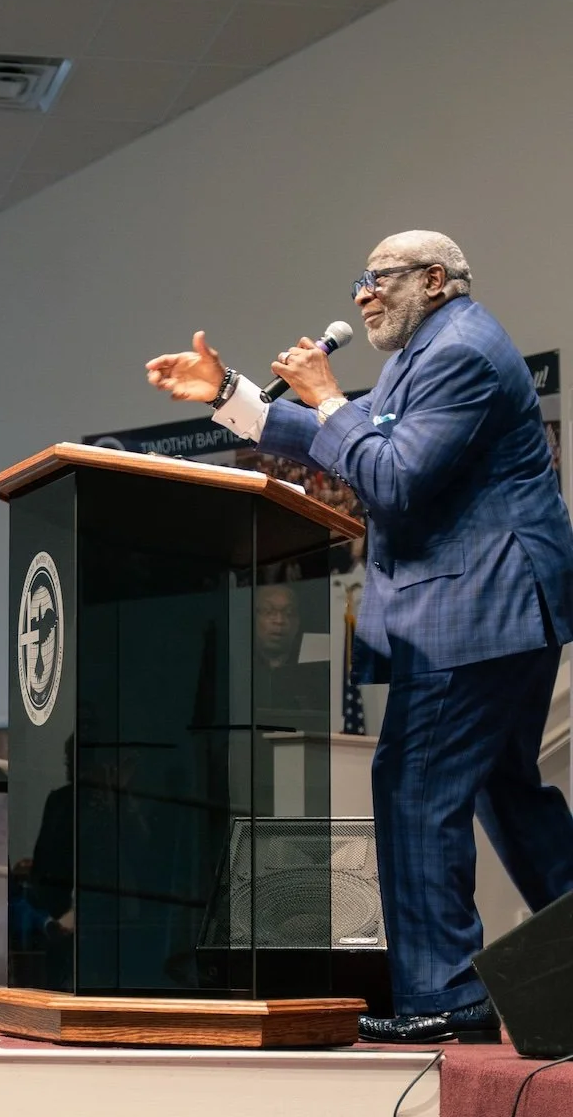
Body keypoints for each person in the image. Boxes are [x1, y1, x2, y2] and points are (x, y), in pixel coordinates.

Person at [146, 230, 573, 1045]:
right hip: (495, 610)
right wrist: (230, 394)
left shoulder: (461, 352)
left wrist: (328, 396)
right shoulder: (434, 349)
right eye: (359, 281)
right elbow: (357, 438)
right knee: (508, 791)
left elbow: (391, 477)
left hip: (476, 611)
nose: (362, 295)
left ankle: (446, 995)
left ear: (436, 279)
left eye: (379, 279)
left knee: (416, 784)